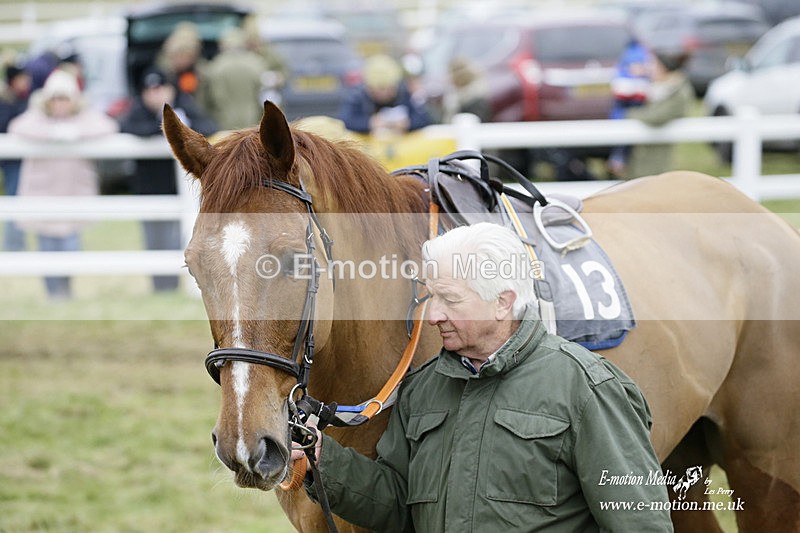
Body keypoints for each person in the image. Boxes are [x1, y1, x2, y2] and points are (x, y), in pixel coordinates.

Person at [294, 222, 673, 531]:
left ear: (503, 301)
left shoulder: (588, 389)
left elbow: (639, 523)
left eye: (450, 299)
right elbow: (397, 504)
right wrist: (321, 458)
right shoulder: (422, 390)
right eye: (431, 298)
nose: (433, 315)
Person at [9, 69, 118, 299]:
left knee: (70, 247)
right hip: (42, 196)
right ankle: (53, 295)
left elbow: (107, 126)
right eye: (55, 98)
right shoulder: (35, 116)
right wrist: (51, 133)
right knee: (47, 248)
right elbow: (17, 127)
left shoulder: (84, 117)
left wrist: (75, 132)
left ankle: (65, 291)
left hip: (74, 193)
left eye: (64, 98)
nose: (60, 103)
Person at [118, 67, 217, 292]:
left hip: (180, 189)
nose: (156, 95)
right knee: (154, 240)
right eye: (151, 90)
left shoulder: (185, 105)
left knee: (181, 237)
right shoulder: (139, 111)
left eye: (161, 89)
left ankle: (188, 285)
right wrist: (166, 128)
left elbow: (209, 127)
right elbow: (128, 127)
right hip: (149, 188)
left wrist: (182, 124)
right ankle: (161, 287)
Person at [621, 53, 694, 179]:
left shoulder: (676, 91)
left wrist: (629, 114)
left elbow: (656, 116)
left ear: (663, 68)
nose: (649, 68)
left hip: (656, 156)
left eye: (653, 64)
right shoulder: (655, 88)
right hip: (641, 152)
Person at [338, 53, 431, 136]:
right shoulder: (358, 97)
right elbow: (344, 121)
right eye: (380, 89)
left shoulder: (403, 94)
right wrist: (369, 123)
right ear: (369, 88)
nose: (385, 94)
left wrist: (408, 123)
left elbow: (424, 118)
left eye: (389, 89)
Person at [198, 27, 265, 131]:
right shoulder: (257, 63)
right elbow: (265, 94)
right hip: (253, 118)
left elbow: (206, 99)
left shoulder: (214, 66)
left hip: (224, 120)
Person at [607, 39, 654, 177]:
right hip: (623, 121)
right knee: (623, 146)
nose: (641, 68)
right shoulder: (624, 80)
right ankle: (617, 163)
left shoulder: (643, 79)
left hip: (634, 121)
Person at [0, 61, 32, 251]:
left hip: (22, 158)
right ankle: (14, 245)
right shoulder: (6, 102)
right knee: (15, 200)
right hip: (12, 160)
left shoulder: (22, 99)